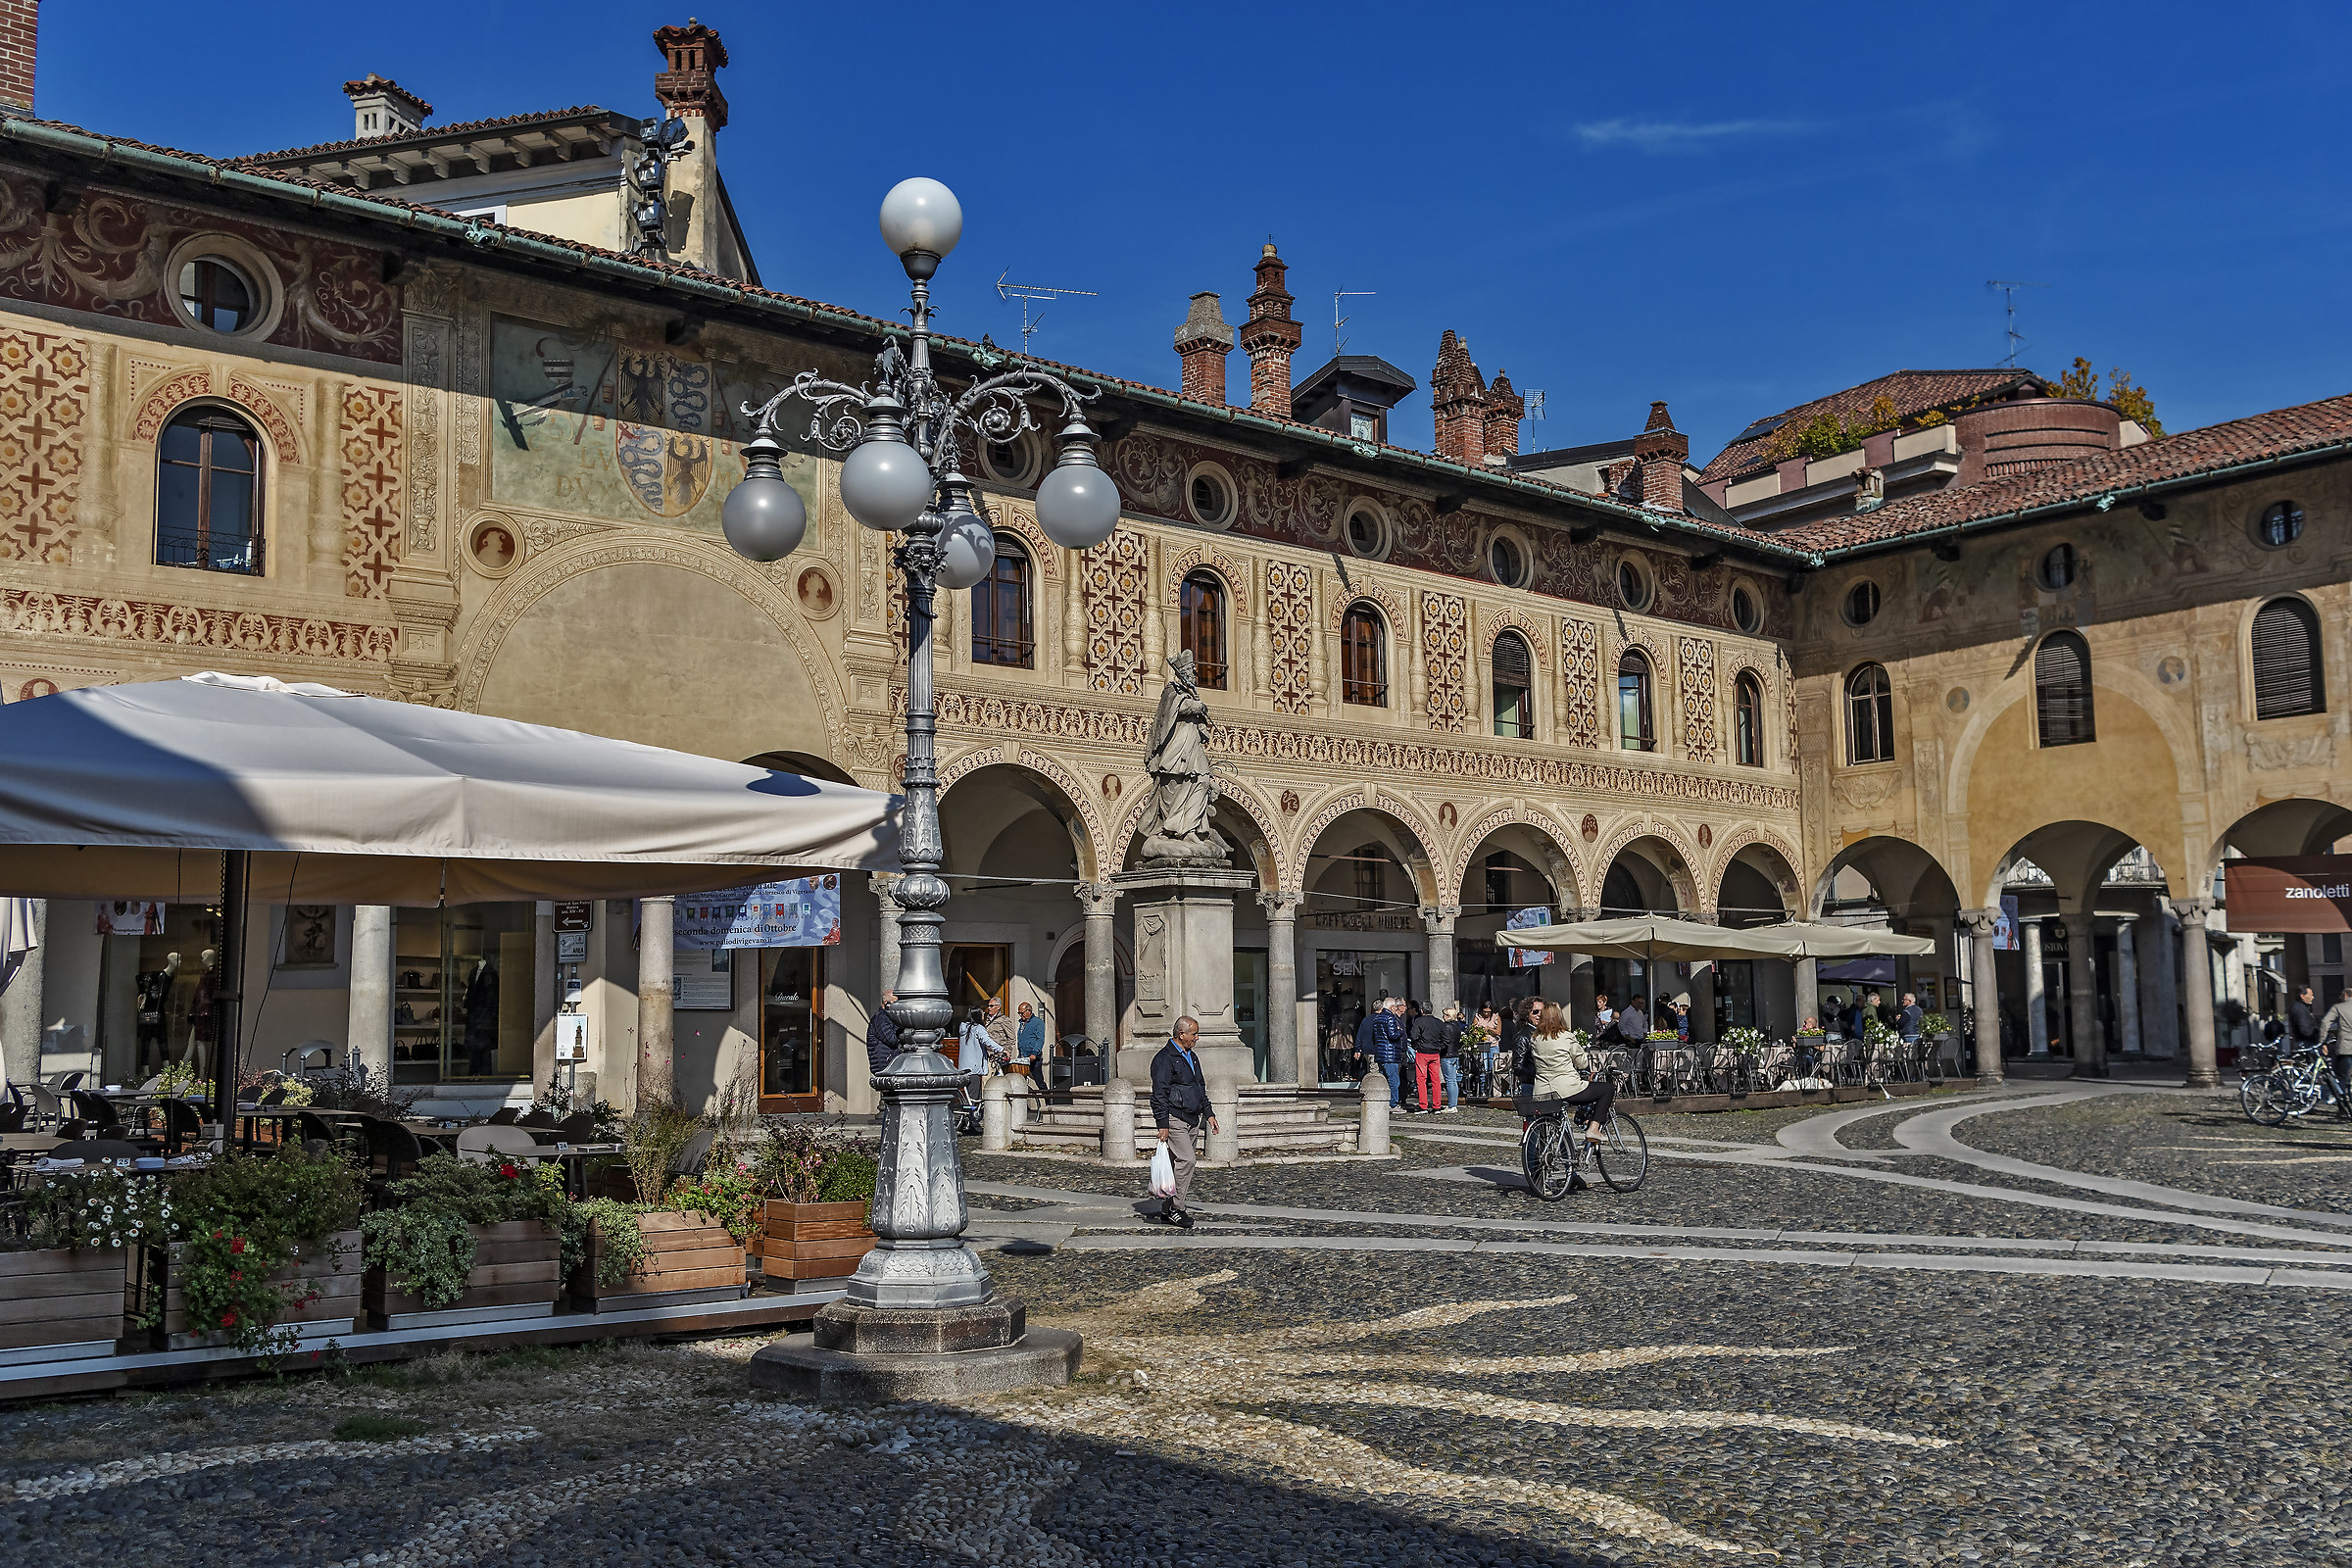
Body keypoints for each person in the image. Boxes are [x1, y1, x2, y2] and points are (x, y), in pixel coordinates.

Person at [1526, 1001, 1613, 1193]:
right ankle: (1594, 1128)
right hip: (1567, 1088)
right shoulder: (1566, 1036)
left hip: (1543, 1092)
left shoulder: (1535, 1038)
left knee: (1546, 1133)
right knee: (1606, 1089)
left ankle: (1545, 1178)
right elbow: (1582, 1063)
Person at [1150, 1014, 1220, 1227]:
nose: (1197, 1038)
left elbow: (1200, 1086)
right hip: (1174, 1117)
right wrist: (1162, 1123)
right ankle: (1176, 1208)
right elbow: (1159, 1094)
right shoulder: (1163, 1059)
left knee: (1175, 1164)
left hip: (1192, 1117)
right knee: (1187, 1160)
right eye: (1194, 1034)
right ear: (1181, 1034)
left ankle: (1166, 1208)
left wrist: (1209, 1113)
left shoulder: (1192, 1056)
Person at [1366, 996, 1409, 1106]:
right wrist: (1400, 1032)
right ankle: (1393, 1103)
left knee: (1383, 1079)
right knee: (1394, 1080)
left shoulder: (1377, 1018)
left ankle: (1383, 1101)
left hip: (1381, 1053)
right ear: (1391, 1007)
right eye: (1395, 1007)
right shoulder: (1390, 1018)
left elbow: (1375, 1036)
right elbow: (1392, 1035)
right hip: (1390, 1054)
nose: (1396, 1009)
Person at [1408, 1000, 1446, 1115]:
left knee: (1421, 1079)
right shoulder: (1439, 1022)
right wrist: (1440, 1047)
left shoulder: (1419, 1021)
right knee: (1436, 1080)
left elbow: (1413, 1036)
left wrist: (1417, 1045)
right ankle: (1437, 1106)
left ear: (1422, 1011)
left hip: (1423, 1052)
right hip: (1435, 1052)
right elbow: (1446, 1038)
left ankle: (1423, 1105)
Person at [1437, 1003, 1467, 1111]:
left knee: (1449, 1081)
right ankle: (1453, 1104)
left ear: (1448, 1016)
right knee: (1453, 1081)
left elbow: (1445, 1041)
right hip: (1454, 1054)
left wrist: (1439, 1048)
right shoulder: (1457, 1026)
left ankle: (1452, 1105)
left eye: (1444, 1015)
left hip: (1447, 1055)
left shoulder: (1447, 1026)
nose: (1443, 1017)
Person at [866, 990, 900, 1077]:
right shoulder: (879, 1019)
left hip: (893, 1064)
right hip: (885, 1065)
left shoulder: (892, 1019)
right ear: (887, 1003)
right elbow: (893, 1040)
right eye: (895, 1003)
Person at [982, 997, 1017, 1069]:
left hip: (999, 1056)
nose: (989, 1008)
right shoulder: (987, 1019)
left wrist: (1006, 1051)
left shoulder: (1004, 1020)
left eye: (991, 1006)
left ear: (998, 1007)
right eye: (988, 1006)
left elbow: (1011, 1038)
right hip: (988, 1055)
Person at [1016, 1001, 1047, 1074]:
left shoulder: (1038, 1022)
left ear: (1028, 1011)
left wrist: (1034, 1053)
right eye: (1019, 1013)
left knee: (1038, 1080)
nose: (1020, 1015)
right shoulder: (1022, 1023)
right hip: (1023, 1056)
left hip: (1033, 1056)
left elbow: (1040, 1039)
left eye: (1022, 1013)